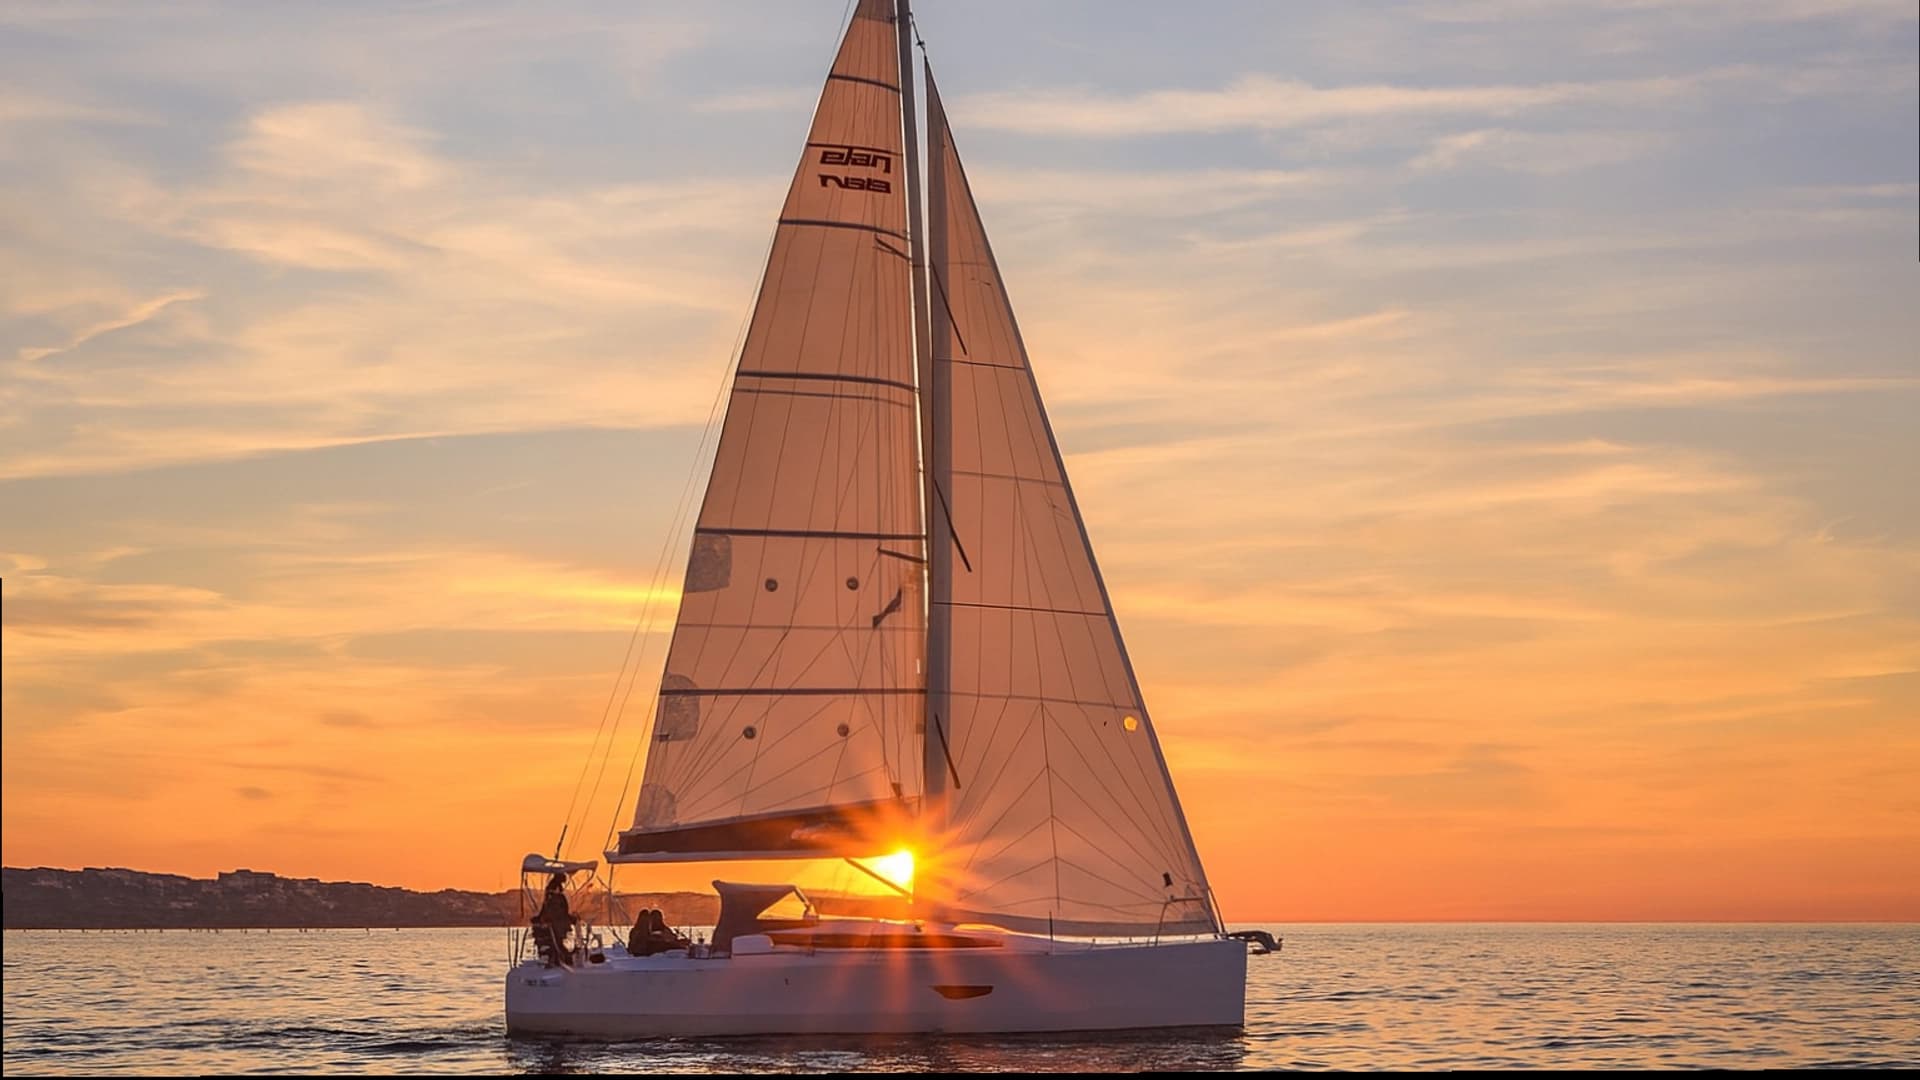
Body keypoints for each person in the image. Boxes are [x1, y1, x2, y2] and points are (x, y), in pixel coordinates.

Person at [532, 873, 576, 967]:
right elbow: (553, 909)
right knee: (556, 941)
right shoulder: (555, 894)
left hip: (557, 922)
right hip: (556, 923)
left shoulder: (556, 894)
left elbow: (557, 910)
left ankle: (560, 959)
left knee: (557, 942)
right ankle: (560, 959)